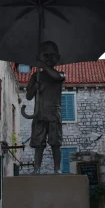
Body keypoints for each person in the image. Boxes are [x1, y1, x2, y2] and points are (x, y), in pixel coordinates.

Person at [26, 41, 65, 174]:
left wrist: (41, 64)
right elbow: (28, 96)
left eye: (52, 55)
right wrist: (35, 88)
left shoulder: (60, 75)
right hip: (39, 114)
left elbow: (55, 76)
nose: (49, 58)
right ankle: (37, 168)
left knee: (56, 144)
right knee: (39, 144)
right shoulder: (35, 76)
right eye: (45, 55)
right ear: (40, 56)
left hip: (54, 114)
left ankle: (57, 168)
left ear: (58, 58)